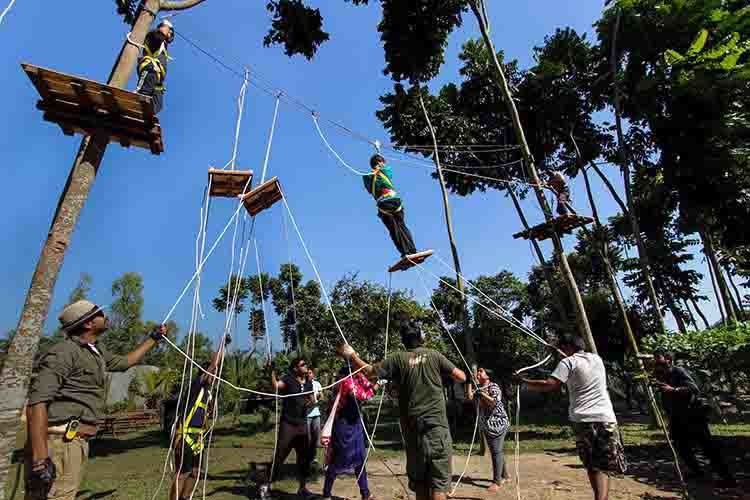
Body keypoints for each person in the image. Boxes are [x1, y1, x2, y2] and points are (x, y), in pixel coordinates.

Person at [24, 300, 168, 500]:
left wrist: (153, 339)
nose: (105, 317)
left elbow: (124, 362)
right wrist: (40, 459)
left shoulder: (95, 351)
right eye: (100, 313)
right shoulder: (64, 352)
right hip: (58, 442)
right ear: (88, 324)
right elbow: (36, 403)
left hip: (75, 441)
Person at [336, 320, 467, 500]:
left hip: (413, 430)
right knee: (439, 483)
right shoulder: (435, 355)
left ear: (403, 341)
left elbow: (371, 372)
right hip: (437, 429)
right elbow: (461, 376)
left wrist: (352, 356)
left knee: (420, 482)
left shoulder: (397, 358)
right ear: (421, 337)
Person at [518, 335, 626, 500]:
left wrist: (523, 381)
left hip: (584, 421)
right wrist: (557, 351)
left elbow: (550, 385)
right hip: (606, 418)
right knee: (605, 463)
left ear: (567, 347)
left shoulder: (567, 363)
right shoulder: (596, 359)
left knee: (592, 464)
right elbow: (577, 366)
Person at [653, 350, 735, 486]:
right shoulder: (662, 374)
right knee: (681, 447)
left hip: (692, 416)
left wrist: (673, 390)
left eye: (658, 358)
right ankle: (697, 472)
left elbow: (693, 388)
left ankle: (728, 478)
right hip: (677, 417)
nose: (656, 361)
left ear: (668, 359)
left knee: (707, 447)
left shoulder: (678, 371)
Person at [169, 335, 231, 500]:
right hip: (185, 436)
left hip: (198, 438)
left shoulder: (208, 394)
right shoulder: (196, 386)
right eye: (212, 373)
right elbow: (213, 365)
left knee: (195, 472)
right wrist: (222, 344)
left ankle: (186, 498)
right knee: (182, 473)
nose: (214, 376)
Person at [260, 357, 315, 499]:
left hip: (302, 424)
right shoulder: (289, 379)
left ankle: (302, 488)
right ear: (296, 368)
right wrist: (271, 372)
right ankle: (265, 486)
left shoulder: (308, 383)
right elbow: (276, 386)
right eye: (303, 364)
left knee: (304, 458)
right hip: (288, 424)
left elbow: (310, 399)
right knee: (280, 456)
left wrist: (311, 401)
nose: (306, 366)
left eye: (305, 364)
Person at [320, 368, 378, 500]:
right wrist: (377, 385)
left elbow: (368, 385)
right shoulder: (346, 382)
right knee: (337, 460)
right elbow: (363, 396)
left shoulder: (358, 377)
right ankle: (326, 494)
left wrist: (376, 380)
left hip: (355, 425)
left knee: (360, 460)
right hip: (343, 427)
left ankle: (365, 494)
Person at [363, 154, 418, 258]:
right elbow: (388, 171)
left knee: (394, 229)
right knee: (401, 226)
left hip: (384, 205)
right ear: (380, 163)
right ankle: (412, 250)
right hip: (395, 202)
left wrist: (375, 171)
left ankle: (405, 252)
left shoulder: (367, 177)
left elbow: (369, 189)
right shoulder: (385, 171)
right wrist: (380, 168)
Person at [465, 368, 510, 492]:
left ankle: (497, 482)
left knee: (496, 451)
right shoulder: (478, 387)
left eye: (481, 371)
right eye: (477, 372)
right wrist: (469, 382)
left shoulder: (493, 387)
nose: (478, 373)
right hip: (487, 425)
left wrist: (481, 394)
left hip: (499, 424)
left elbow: (494, 403)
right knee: (497, 451)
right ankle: (505, 475)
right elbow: (469, 397)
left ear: (488, 376)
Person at [136, 19, 175, 114]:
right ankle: (135, 107)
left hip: (158, 79)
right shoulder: (154, 37)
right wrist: (166, 25)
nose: (170, 34)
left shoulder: (162, 46)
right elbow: (161, 33)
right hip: (150, 71)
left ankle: (146, 116)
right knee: (144, 94)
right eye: (170, 31)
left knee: (158, 105)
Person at [306, 367, 323, 470]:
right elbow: (306, 401)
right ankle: (306, 459)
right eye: (307, 373)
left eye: (310, 373)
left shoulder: (317, 384)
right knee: (307, 439)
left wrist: (316, 399)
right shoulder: (303, 385)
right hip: (306, 415)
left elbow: (322, 396)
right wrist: (311, 401)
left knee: (316, 438)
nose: (309, 374)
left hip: (316, 414)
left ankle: (314, 458)